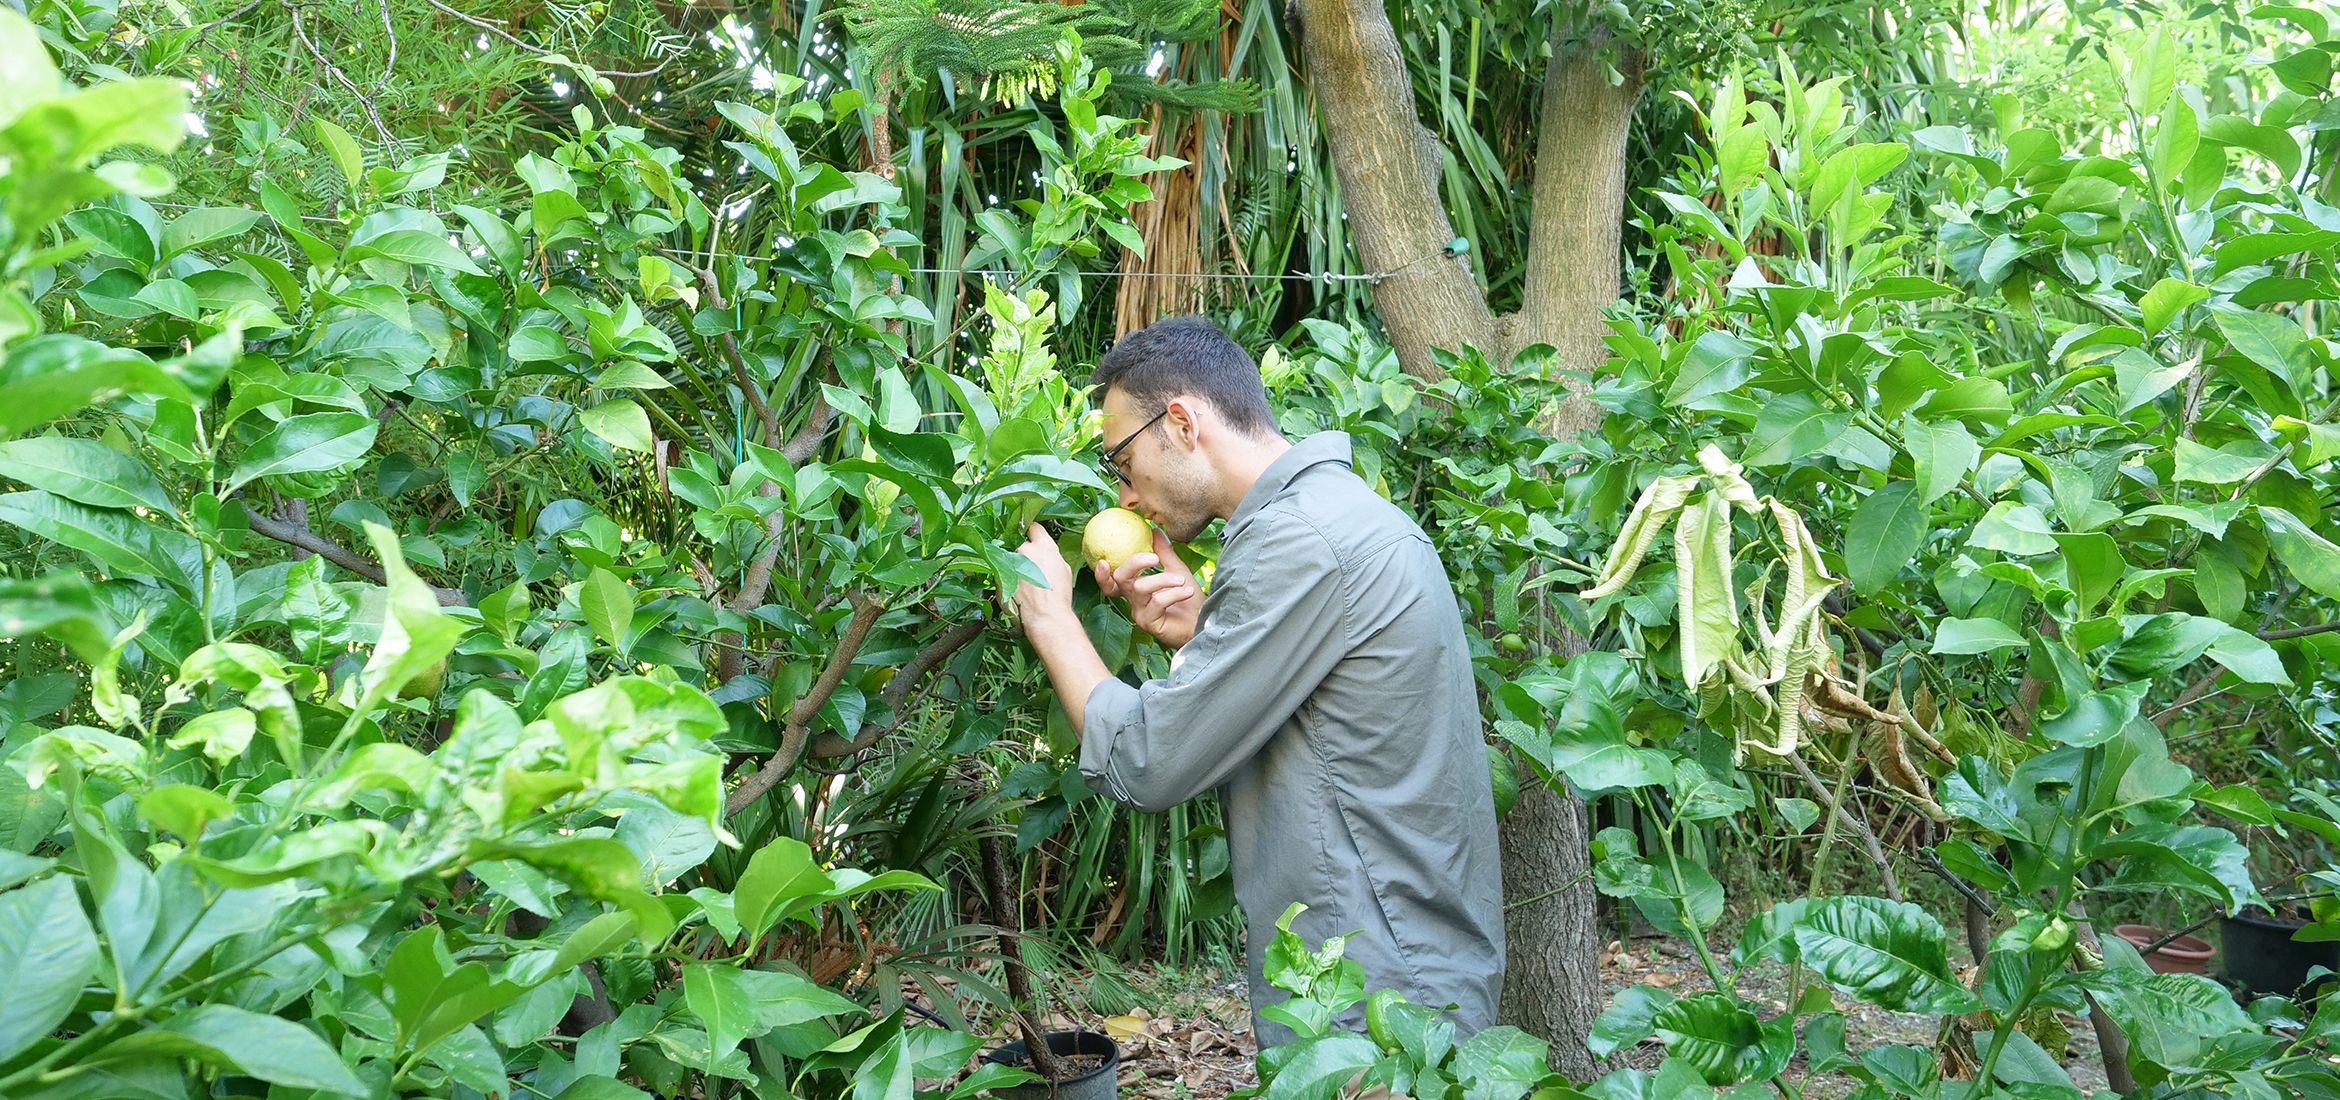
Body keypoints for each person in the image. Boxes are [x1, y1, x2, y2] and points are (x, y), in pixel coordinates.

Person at [1009, 315, 1506, 1047]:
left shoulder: (1299, 541)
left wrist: (1049, 615)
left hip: (1374, 998)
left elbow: (1149, 761)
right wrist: (1208, 628)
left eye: (1122, 459)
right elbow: (1335, 718)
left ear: (1180, 422)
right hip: (1396, 971)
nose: (1126, 497)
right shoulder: (1338, 516)